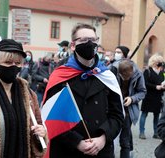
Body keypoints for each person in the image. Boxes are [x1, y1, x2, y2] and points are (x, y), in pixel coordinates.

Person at [43, 23, 124, 157]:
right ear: (73, 45)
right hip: (68, 150)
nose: (89, 44)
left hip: (100, 150)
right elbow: (53, 118)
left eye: (93, 40)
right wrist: (77, 142)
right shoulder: (60, 75)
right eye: (84, 40)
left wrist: (102, 139)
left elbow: (117, 115)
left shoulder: (107, 75)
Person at [116, 60, 146, 158]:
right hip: (114, 108)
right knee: (111, 137)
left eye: (127, 78)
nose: (125, 79)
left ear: (132, 72)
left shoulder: (138, 74)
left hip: (128, 110)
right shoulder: (113, 70)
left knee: (125, 141)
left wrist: (132, 98)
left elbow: (142, 92)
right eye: (123, 77)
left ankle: (127, 153)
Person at [139, 54, 165, 139]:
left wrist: (162, 87)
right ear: (154, 62)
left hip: (158, 97)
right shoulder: (148, 71)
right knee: (144, 114)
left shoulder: (162, 73)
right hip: (148, 96)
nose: (160, 64)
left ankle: (156, 132)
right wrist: (155, 87)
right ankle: (142, 132)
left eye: (161, 62)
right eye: (159, 62)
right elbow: (145, 83)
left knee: (156, 115)